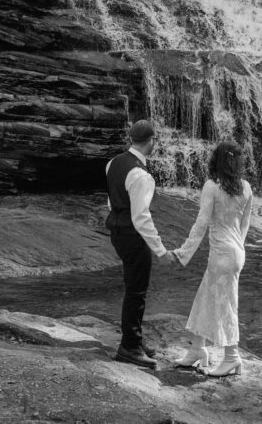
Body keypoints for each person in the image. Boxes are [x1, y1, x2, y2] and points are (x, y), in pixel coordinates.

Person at [172, 140, 254, 377]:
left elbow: (201, 223)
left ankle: (232, 358)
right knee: (205, 298)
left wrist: (183, 253)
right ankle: (198, 349)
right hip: (235, 252)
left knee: (227, 306)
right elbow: (245, 224)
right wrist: (237, 248)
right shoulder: (246, 187)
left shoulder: (212, 186)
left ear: (215, 161)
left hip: (222, 254)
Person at [105, 119, 178, 368]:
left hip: (116, 230)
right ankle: (130, 348)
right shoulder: (141, 175)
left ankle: (134, 339)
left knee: (132, 286)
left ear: (131, 138)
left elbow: (112, 199)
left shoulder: (113, 163)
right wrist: (161, 251)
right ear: (151, 141)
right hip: (132, 236)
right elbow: (141, 218)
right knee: (137, 291)